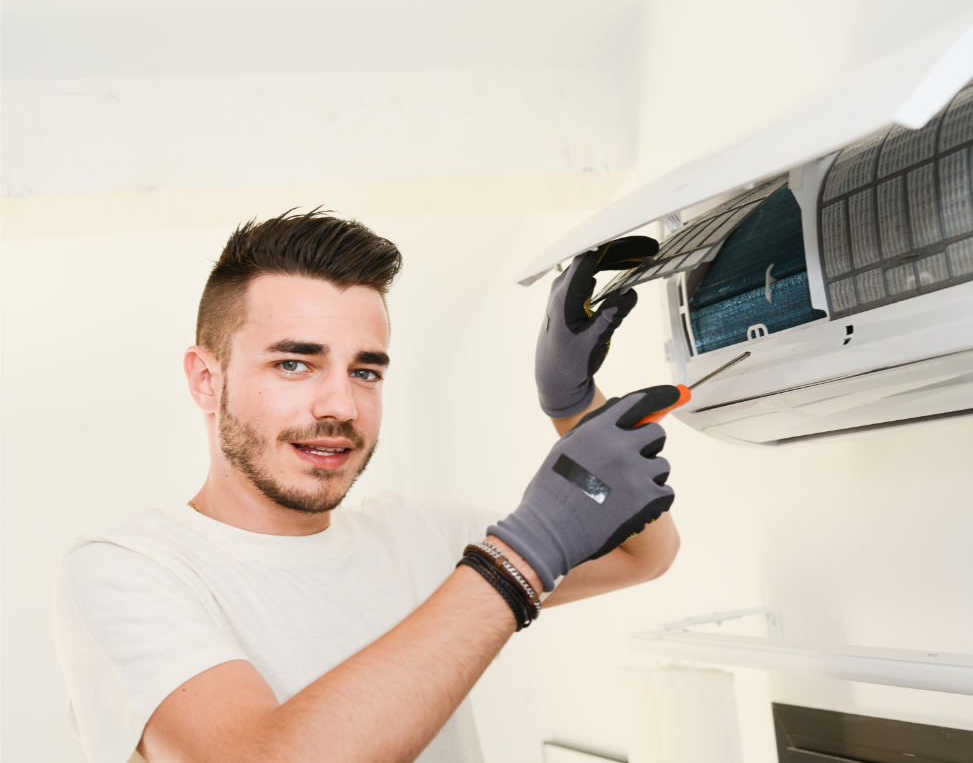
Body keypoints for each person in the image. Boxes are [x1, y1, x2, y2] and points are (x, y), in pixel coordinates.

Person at [52, 211, 679, 763]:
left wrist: (574, 408)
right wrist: (519, 556)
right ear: (205, 380)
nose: (341, 404)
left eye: (365, 370)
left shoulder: (422, 536)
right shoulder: (129, 570)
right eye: (294, 363)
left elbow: (640, 554)